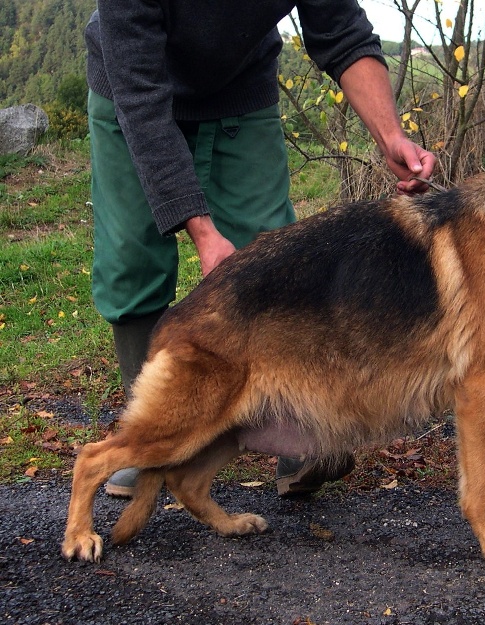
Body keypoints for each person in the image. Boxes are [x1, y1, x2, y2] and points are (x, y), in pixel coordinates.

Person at [85, 1, 436, 498]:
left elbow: (342, 31)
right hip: (132, 92)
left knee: (276, 258)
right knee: (132, 263)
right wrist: (203, 232)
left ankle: (297, 431)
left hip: (239, 91)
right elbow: (140, 96)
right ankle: (153, 438)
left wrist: (391, 136)